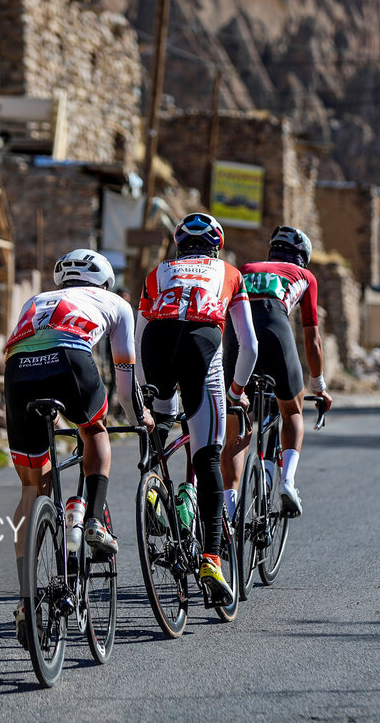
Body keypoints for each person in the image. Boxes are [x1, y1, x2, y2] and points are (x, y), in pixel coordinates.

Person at [4, 249, 153, 646]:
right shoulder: (117, 304)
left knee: (31, 490)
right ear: (104, 282)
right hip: (70, 357)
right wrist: (142, 418)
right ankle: (91, 521)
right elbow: (125, 385)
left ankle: (25, 599)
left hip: (18, 371)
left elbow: (24, 344)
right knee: (94, 431)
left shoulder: (34, 301)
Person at [135, 212, 258, 606]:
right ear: (216, 245)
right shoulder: (230, 273)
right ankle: (211, 559)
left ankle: (156, 489)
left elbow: (138, 340)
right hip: (201, 343)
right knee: (208, 456)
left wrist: (143, 390)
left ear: (178, 245)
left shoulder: (157, 273)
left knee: (164, 419)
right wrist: (237, 390)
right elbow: (249, 346)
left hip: (156, 343)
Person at [221, 225, 334, 521]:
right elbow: (312, 339)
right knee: (292, 411)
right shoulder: (305, 277)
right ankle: (287, 482)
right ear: (303, 258)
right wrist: (318, 385)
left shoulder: (245, 268)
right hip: (275, 326)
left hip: (237, 335)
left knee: (236, 423)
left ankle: (230, 506)